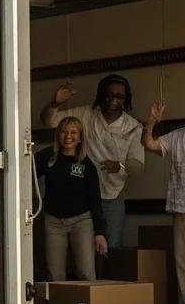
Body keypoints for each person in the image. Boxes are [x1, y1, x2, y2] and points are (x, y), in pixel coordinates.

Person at [40, 74, 144, 248]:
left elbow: (138, 168)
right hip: (81, 195)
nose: (113, 100)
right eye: (109, 95)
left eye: (119, 97)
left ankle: (106, 276)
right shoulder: (85, 114)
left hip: (112, 195)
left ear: (126, 100)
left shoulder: (133, 127)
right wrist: (55, 103)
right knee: (83, 249)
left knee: (111, 246)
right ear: (100, 94)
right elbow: (48, 121)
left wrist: (119, 166)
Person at [34, 116, 108, 280]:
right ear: (58, 135)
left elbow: (95, 200)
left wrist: (100, 233)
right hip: (53, 221)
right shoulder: (48, 157)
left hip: (81, 221)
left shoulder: (86, 164)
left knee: (86, 271)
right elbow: (26, 173)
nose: (68, 136)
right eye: (64, 132)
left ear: (80, 137)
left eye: (73, 132)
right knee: (54, 274)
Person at [142, 101, 185, 304]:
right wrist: (151, 122)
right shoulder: (178, 136)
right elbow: (149, 144)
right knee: (182, 261)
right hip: (181, 207)